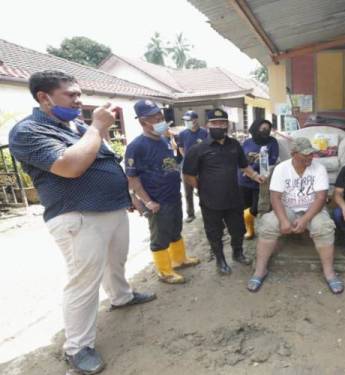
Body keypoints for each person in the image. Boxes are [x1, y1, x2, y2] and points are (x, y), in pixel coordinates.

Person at [8, 70, 155, 374]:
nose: (79, 100)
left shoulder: (77, 126)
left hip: (112, 208)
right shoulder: (28, 131)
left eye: (79, 94)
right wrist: (98, 127)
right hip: (78, 216)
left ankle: (121, 296)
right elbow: (71, 166)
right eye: (71, 95)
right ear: (44, 98)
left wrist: (127, 195)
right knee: (84, 282)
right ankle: (77, 347)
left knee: (117, 262)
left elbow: (105, 163)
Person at [247, 137, 343, 294]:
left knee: (324, 227)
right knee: (268, 225)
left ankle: (329, 272)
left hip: (313, 209)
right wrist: (284, 221)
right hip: (288, 208)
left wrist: (305, 219)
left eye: (311, 154)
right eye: (305, 154)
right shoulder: (281, 169)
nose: (310, 157)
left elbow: (320, 198)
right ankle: (260, 270)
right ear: (293, 154)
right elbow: (275, 197)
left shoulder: (318, 168)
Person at [182, 109, 266, 275]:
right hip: (210, 201)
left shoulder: (234, 145)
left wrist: (256, 176)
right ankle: (220, 260)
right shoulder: (198, 149)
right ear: (208, 125)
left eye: (222, 123)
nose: (219, 126)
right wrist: (203, 188)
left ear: (227, 125)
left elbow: (244, 166)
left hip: (234, 197)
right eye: (215, 123)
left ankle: (237, 253)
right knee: (214, 232)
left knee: (238, 229)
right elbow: (188, 175)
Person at [125, 100, 200, 285]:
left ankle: (179, 259)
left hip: (173, 196)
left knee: (175, 230)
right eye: (155, 118)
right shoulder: (136, 146)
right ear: (143, 122)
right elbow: (132, 178)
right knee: (159, 237)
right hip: (157, 201)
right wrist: (147, 201)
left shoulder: (164, 140)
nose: (161, 121)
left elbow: (170, 164)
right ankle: (165, 271)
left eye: (161, 117)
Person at [239, 118, 279, 239]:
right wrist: (247, 170)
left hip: (261, 181)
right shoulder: (247, 142)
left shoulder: (272, 142)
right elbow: (241, 160)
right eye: (262, 128)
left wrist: (258, 163)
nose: (265, 131)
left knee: (256, 208)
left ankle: (252, 224)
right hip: (243, 180)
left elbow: (273, 159)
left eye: (267, 129)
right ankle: (249, 230)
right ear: (256, 128)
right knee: (244, 206)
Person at [176, 110, 208, 223]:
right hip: (187, 167)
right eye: (185, 120)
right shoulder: (182, 134)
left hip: (202, 166)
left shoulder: (205, 133)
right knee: (187, 192)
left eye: (188, 120)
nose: (186, 122)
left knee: (204, 190)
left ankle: (207, 211)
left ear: (195, 120)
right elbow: (180, 149)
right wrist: (190, 160)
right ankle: (190, 214)